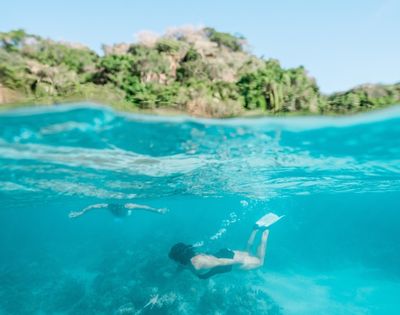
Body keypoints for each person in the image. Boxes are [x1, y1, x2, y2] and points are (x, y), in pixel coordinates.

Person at [168, 226, 270, 279]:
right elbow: (176, 274)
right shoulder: (183, 263)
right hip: (222, 255)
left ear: (180, 258)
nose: (173, 261)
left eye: (174, 259)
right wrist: (160, 294)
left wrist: (239, 261)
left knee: (260, 262)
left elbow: (221, 262)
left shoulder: (198, 263)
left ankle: (265, 232)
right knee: (246, 253)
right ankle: (255, 229)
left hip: (228, 260)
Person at [68, 203, 168, 219]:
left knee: (126, 214)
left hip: (126, 214)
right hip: (116, 215)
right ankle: (118, 219)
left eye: (118, 206)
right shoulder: (108, 206)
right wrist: (81, 212)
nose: (116, 206)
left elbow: (145, 208)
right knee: (117, 218)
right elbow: (93, 207)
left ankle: (120, 219)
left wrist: (157, 211)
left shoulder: (129, 206)